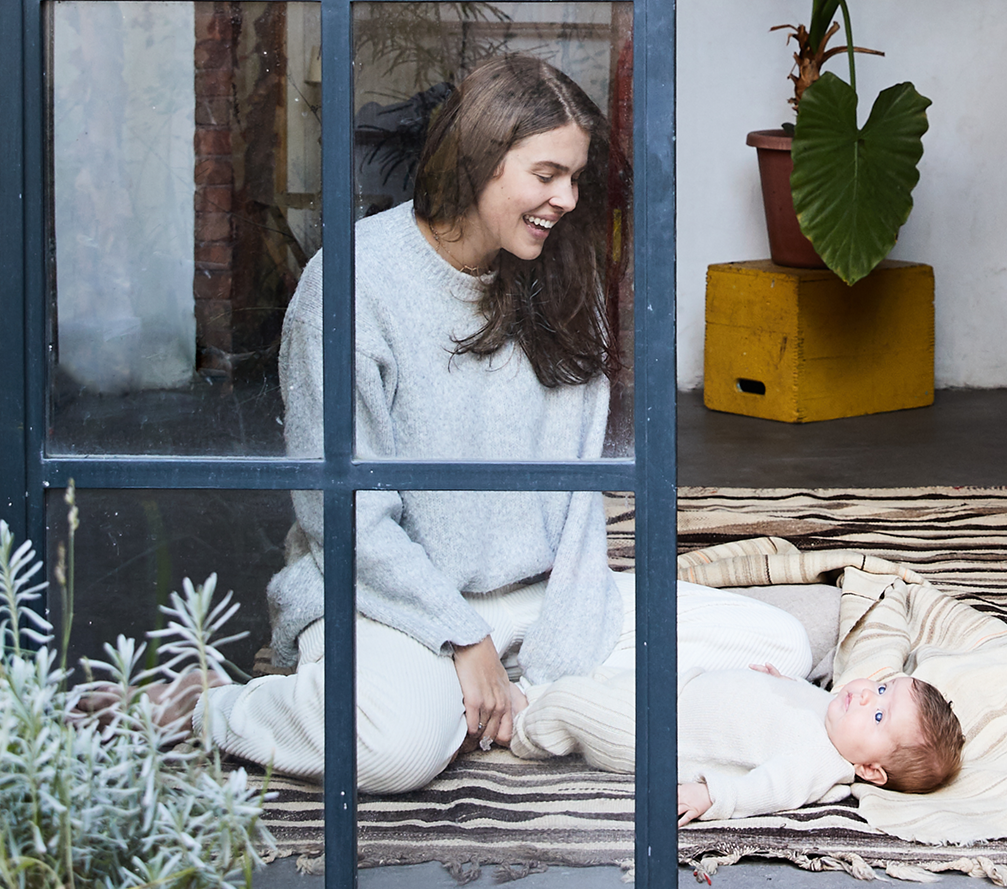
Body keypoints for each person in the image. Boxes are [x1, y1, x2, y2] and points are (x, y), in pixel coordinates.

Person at [181, 54, 805, 795]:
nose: (567, 199)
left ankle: (518, 703)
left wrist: (557, 657)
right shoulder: (351, 283)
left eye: (574, 178)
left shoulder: (565, 281)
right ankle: (208, 708)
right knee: (396, 749)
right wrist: (460, 635)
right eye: (546, 176)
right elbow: (342, 513)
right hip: (385, 600)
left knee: (779, 644)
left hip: (533, 599)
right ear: (479, 157)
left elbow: (580, 495)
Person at [510, 664, 967, 823]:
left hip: (654, 734)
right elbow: (800, 704)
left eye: (881, 715)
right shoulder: (836, 714)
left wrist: (713, 795)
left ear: (869, 771)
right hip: (677, 690)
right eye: (884, 689)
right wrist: (784, 684)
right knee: (598, 680)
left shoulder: (818, 763)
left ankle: (514, 729)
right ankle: (529, 693)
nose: (869, 695)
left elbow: (766, 789)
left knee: (575, 704)